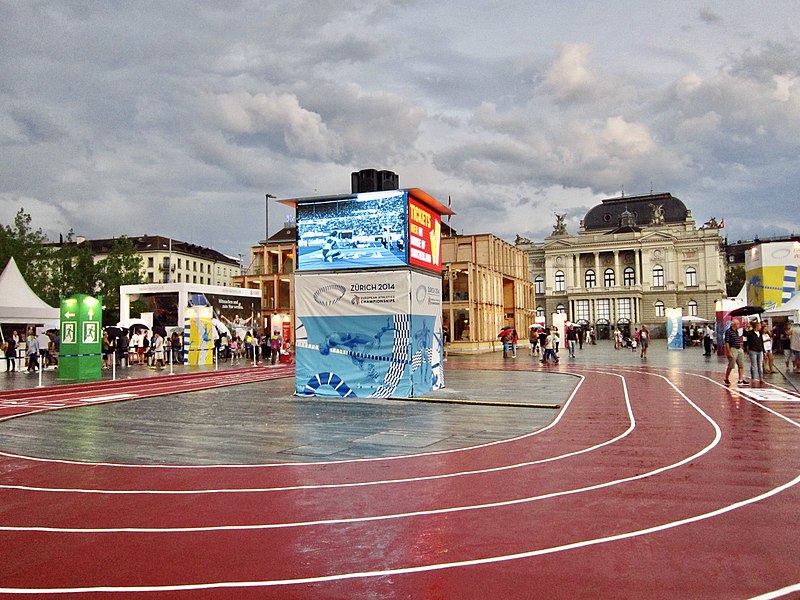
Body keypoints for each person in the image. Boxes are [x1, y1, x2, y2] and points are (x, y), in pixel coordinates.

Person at [723, 318, 748, 385]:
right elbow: (727, 342)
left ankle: (740, 379)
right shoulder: (728, 331)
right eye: (738, 324)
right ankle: (726, 378)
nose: (739, 325)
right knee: (731, 364)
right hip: (733, 348)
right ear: (734, 324)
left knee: (741, 364)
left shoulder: (736, 331)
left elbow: (745, 334)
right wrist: (729, 351)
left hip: (739, 348)